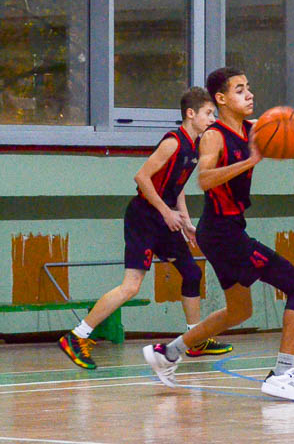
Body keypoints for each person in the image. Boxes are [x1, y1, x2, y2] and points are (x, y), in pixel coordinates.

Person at [143, 67, 294, 402]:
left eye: (249, 87)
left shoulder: (256, 129)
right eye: (240, 89)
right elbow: (205, 179)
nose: (249, 94)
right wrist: (251, 160)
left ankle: (168, 353)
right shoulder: (214, 135)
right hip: (222, 232)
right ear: (222, 99)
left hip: (226, 230)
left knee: (239, 311)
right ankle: (283, 373)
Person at [58, 87, 233, 370]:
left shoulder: (194, 147)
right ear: (191, 114)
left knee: (191, 273)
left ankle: (195, 339)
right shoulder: (173, 143)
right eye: (208, 113)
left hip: (166, 220)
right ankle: (77, 336)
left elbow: (177, 189)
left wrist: (185, 221)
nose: (213, 119)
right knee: (131, 286)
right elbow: (141, 177)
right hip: (144, 218)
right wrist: (166, 213)